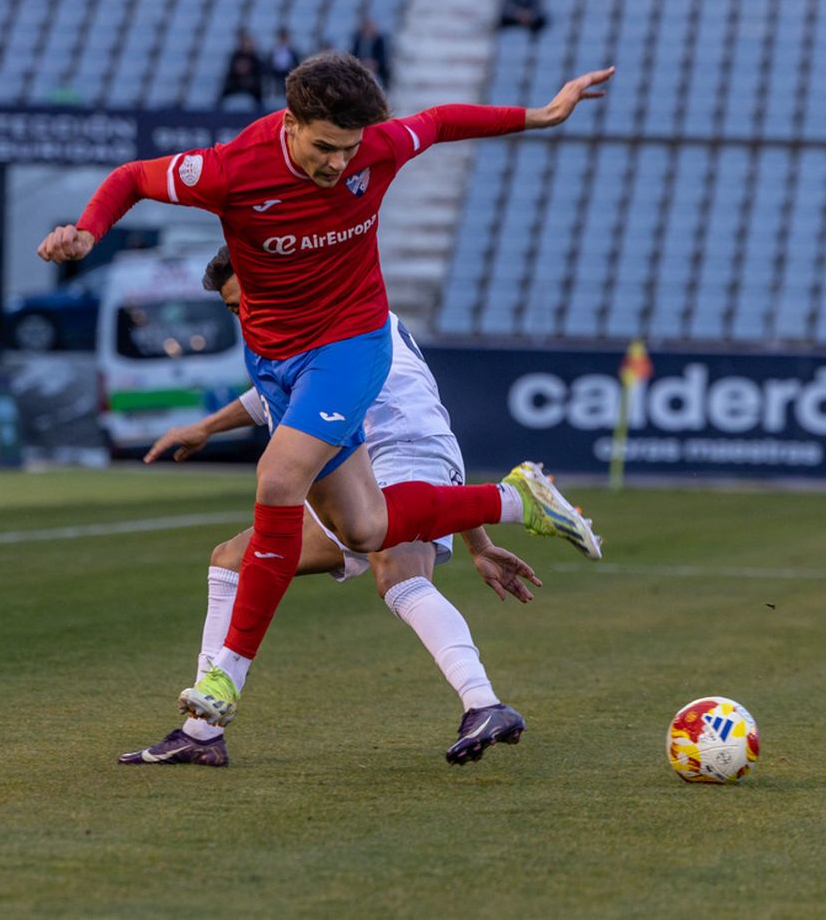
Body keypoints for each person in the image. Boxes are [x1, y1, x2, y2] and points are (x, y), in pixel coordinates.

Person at [36, 53, 612, 732]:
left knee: (278, 477)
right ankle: (518, 500)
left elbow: (442, 122)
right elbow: (134, 177)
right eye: (324, 147)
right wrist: (88, 230)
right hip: (280, 361)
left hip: (351, 343)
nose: (340, 163)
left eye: (348, 149)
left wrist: (539, 115)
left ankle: (225, 680)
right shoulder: (230, 169)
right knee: (364, 529)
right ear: (290, 122)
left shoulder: (377, 148)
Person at [120, 249, 541, 767]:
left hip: (401, 446)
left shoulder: (332, 315)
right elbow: (279, 396)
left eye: (246, 302)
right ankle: (201, 730)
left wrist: (477, 537)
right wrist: (206, 428)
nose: (245, 317)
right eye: (233, 311)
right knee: (232, 559)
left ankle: (484, 702)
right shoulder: (298, 327)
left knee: (397, 570)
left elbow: (390, 412)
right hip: (359, 458)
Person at [220, 30, 266, 109]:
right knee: (225, 89)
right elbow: (231, 72)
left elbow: (259, 72)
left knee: (258, 90)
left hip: (252, 85)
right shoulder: (235, 56)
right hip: (236, 83)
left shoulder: (255, 58)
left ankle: (259, 109)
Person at [350, 18, 391, 88]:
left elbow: (382, 56)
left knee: (385, 72)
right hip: (360, 63)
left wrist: (374, 63)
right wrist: (361, 62)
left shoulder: (379, 40)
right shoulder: (358, 39)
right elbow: (353, 54)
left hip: (375, 64)